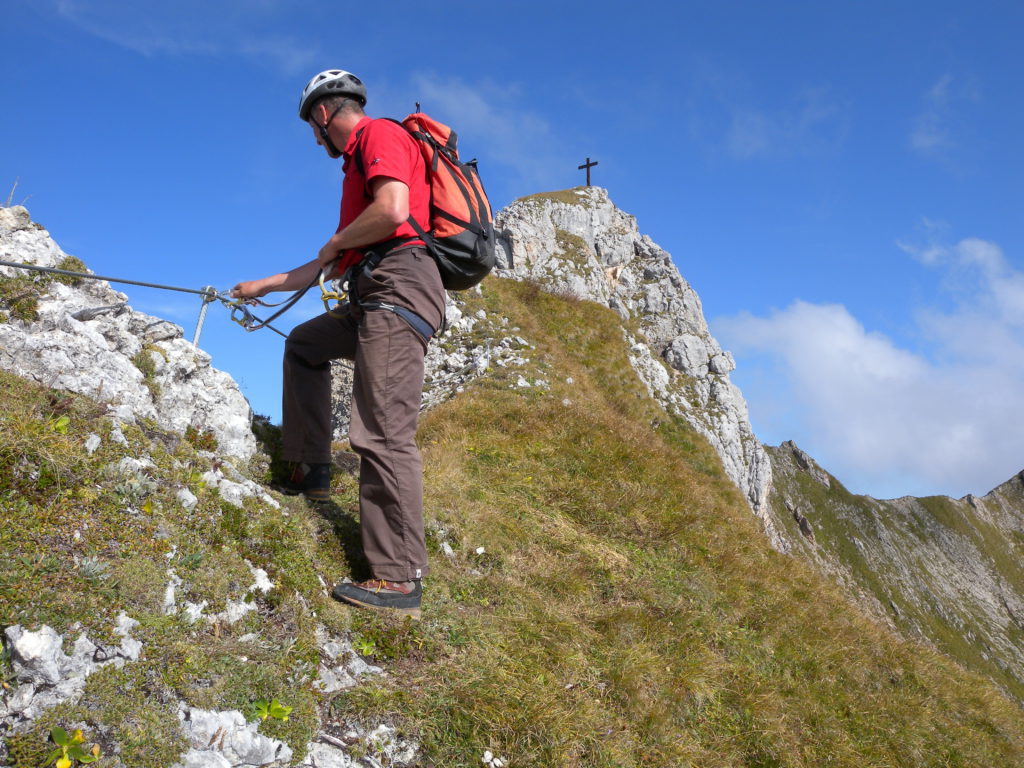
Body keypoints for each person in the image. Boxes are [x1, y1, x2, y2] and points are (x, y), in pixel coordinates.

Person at [231, 69, 444, 618]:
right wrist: (262, 286)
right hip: (376, 291)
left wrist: (338, 240)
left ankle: (398, 578)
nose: (314, 139)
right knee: (304, 343)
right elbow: (326, 262)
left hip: (398, 290)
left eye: (312, 127)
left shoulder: (378, 136)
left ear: (324, 115)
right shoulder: (357, 165)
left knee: (381, 431)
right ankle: (310, 469)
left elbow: (393, 209)